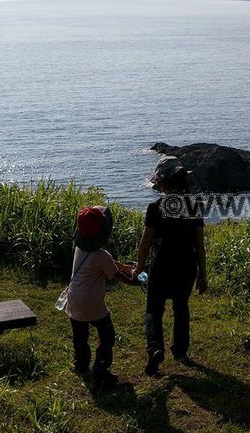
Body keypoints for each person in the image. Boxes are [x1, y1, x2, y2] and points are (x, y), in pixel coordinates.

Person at [132, 157, 207, 376]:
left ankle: (155, 348)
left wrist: (138, 268)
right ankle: (180, 350)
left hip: (162, 265)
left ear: (163, 182)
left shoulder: (156, 208)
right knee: (181, 306)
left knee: (154, 311)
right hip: (187, 266)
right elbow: (200, 247)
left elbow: (145, 243)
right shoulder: (194, 207)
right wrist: (203, 275)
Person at [66, 206, 137, 387]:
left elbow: (107, 264)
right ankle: (100, 368)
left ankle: (81, 364)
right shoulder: (102, 255)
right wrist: (133, 281)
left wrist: (122, 265)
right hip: (93, 304)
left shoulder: (80, 248)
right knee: (107, 335)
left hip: (74, 299)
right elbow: (115, 274)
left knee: (80, 336)